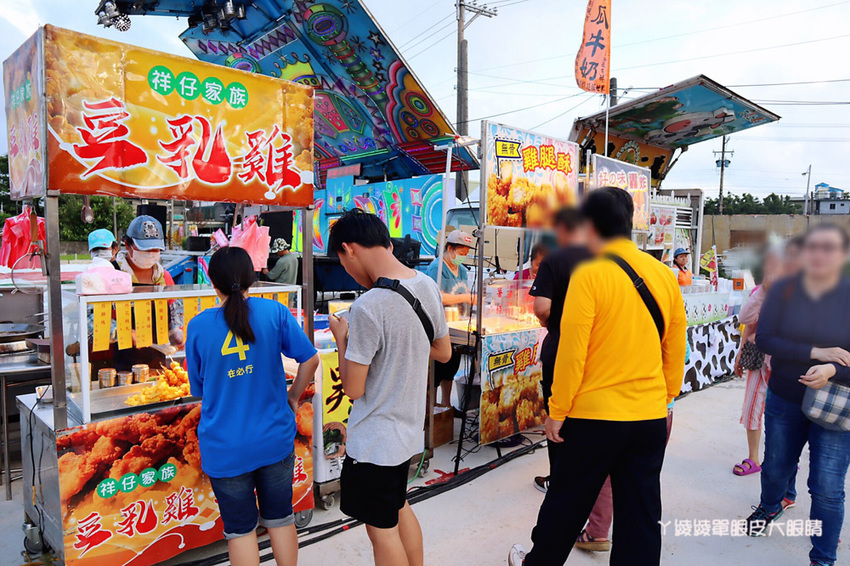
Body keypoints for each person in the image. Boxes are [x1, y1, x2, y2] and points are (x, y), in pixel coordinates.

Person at [509, 187, 687, 566]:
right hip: (649, 416)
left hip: (594, 418)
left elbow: (573, 352)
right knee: (640, 516)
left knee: (565, 505)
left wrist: (557, 410)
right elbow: (675, 347)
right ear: (630, 224)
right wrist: (666, 397)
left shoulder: (590, 275)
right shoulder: (663, 274)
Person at [328, 210, 451, 566]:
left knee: (381, 530)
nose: (347, 270)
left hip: (375, 443)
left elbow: (353, 388)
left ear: (350, 249)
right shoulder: (425, 285)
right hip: (407, 434)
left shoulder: (368, 307)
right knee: (399, 507)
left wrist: (342, 339)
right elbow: (442, 351)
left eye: (341, 260)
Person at [186, 246, 319, 566]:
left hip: (225, 447)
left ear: (211, 281)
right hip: (274, 438)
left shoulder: (199, 326)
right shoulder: (274, 313)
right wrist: (292, 397)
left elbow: (200, 389)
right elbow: (311, 359)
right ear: (253, 279)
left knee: (241, 531)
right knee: (281, 518)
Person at [745, 223, 850, 566]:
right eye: (814, 247)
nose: (820, 255)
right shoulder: (785, 291)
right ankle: (772, 503)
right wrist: (816, 353)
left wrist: (834, 370)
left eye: (829, 248)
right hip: (785, 397)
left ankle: (823, 558)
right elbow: (765, 339)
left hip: (836, 405)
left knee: (827, 486)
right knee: (775, 465)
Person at [733, 240, 800, 519]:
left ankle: (786, 493)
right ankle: (754, 458)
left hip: (787, 368)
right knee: (752, 410)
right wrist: (740, 353)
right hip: (759, 360)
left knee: (784, 429)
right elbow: (746, 319)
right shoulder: (762, 291)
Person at [528, 207, 590, 494]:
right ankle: (585, 478)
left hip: (560, 348)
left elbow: (541, 307)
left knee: (558, 417)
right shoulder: (603, 259)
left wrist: (552, 324)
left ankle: (559, 480)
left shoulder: (556, 260)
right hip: (594, 350)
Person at [425, 230, 475, 408]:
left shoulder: (460, 269)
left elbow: (464, 292)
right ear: (449, 248)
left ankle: (446, 405)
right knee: (437, 369)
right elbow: (437, 296)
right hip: (439, 325)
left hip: (457, 324)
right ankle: (433, 407)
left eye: (466, 254)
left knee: (451, 367)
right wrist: (465, 298)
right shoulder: (436, 268)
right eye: (461, 253)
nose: (463, 258)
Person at [117, 215, 182, 344]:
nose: (152, 253)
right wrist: (121, 331)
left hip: (157, 353)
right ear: (127, 245)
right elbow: (91, 317)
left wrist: (176, 331)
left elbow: (176, 311)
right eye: (145, 249)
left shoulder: (164, 277)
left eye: (156, 249)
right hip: (116, 357)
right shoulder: (113, 275)